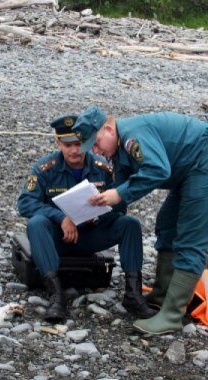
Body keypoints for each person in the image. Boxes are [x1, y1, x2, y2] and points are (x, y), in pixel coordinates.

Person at [71, 106, 208, 335]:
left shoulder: (132, 135)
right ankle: (162, 293)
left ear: (109, 129)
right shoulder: (119, 150)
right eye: (91, 147)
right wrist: (87, 217)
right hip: (189, 170)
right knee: (166, 225)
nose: (96, 151)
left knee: (191, 239)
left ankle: (172, 315)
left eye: (97, 143)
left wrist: (119, 194)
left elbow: (158, 170)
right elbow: (117, 200)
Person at [17, 114, 156, 322]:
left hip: (92, 234)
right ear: (58, 143)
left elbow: (121, 205)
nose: (75, 150)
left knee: (130, 224)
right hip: (59, 239)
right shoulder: (45, 168)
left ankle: (133, 294)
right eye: (68, 144)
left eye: (80, 144)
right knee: (36, 223)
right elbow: (25, 203)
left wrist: (98, 214)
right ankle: (56, 295)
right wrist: (61, 218)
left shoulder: (104, 168)